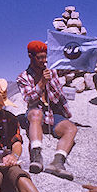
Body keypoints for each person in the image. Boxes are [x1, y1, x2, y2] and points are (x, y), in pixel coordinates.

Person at [16, 40, 78, 181]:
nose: (44, 61)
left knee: (71, 128)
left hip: (53, 114)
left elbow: (73, 64)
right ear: (31, 57)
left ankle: (58, 162)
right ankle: (36, 155)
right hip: (36, 113)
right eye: (40, 57)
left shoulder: (53, 70)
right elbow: (29, 99)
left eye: (45, 57)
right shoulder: (23, 77)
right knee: (36, 114)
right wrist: (42, 82)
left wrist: (95, 49)